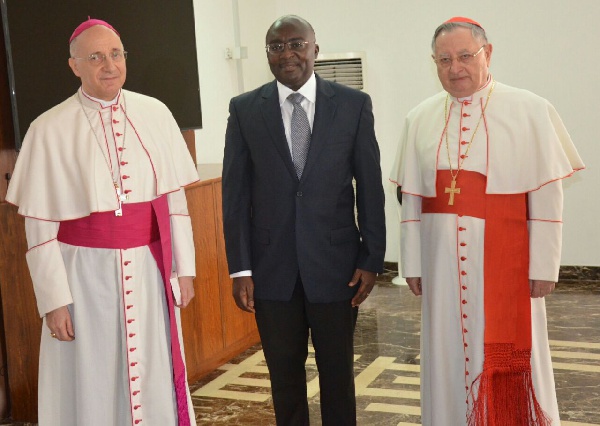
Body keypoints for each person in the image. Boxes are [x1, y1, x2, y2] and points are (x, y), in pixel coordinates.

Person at [391, 17, 584, 426]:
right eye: (444, 59)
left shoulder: (530, 109)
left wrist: (544, 266)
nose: (454, 67)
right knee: (445, 352)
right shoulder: (420, 118)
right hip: (441, 266)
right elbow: (412, 200)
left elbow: (547, 195)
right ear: (434, 63)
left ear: (487, 53)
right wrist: (412, 264)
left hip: (505, 267)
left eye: (464, 56)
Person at [6, 18, 199, 426]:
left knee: (151, 370)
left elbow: (174, 202)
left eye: (115, 54)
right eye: (95, 57)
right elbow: (39, 229)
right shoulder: (47, 128)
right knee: (91, 375)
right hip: (83, 277)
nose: (108, 65)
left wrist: (185, 270)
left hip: (149, 271)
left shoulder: (156, 113)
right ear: (74, 65)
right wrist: (54, 300)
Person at [222, 15, 386, 425]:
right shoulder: (245, 110)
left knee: (337, 374)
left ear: (315, 48)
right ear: (267, 55)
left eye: (296, 44)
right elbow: (236, 197)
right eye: (276, 47)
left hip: (336, 269)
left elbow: (369, 187)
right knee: (284, 377)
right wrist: (240, 268)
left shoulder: (352, 105)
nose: (287, 54)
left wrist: (371, 259)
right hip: (270, 271)